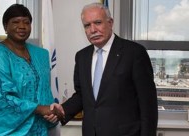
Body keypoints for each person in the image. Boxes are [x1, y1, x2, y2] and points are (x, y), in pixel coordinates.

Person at [46, 2, 158, 136]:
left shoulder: (134, 53)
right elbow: (83, 95)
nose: (93, 30)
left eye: (98, 22)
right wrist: (63, 110)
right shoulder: (82, 57)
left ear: (110, 23)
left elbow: (148, 106)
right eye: (87, 25)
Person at [0, 4, 61, 136]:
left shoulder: (41, 54)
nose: (22, 26)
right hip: (8, 132)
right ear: (5, 27)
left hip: (38, 128)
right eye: (15, 22)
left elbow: (45, 92)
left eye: (26, 22)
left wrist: (51, 112)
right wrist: (39, 109)